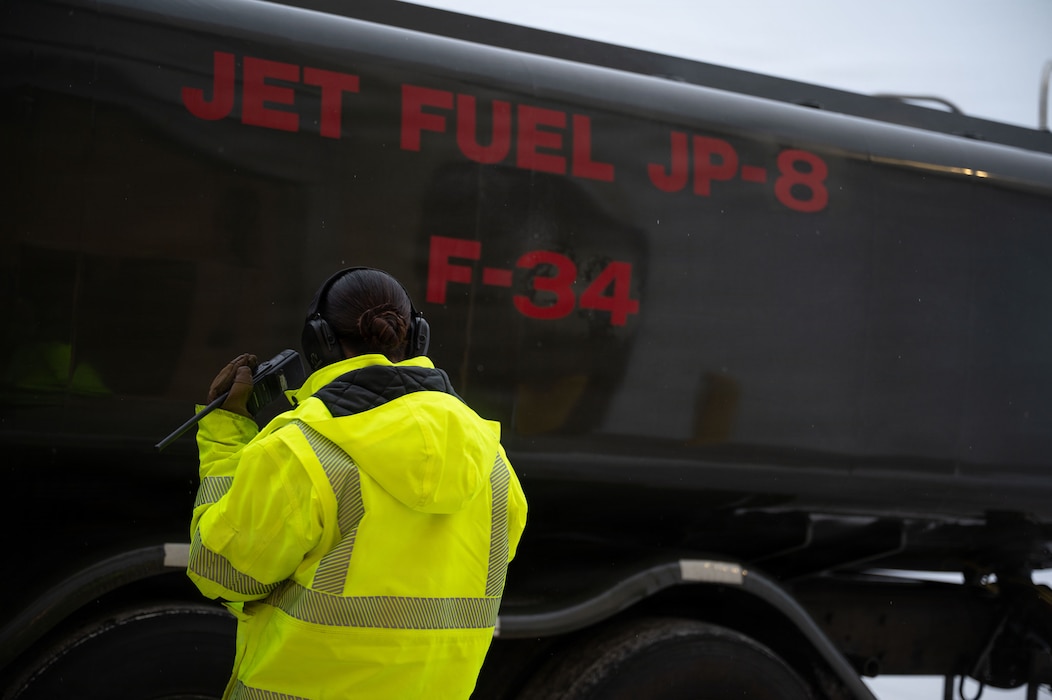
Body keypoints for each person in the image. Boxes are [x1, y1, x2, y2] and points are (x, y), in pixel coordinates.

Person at [187, 267, 528, 700]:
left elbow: (221, 573)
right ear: (417, 338)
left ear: (318, 343)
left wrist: (224, 434)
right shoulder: (494, 461)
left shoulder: (302, 449)